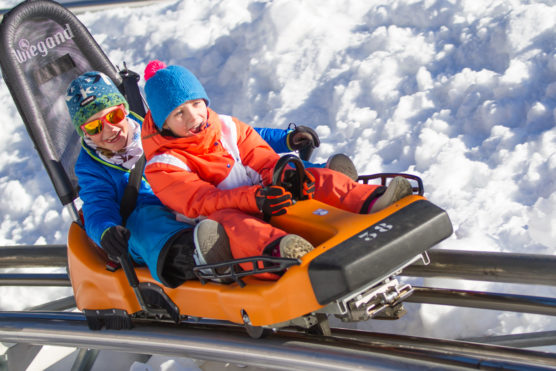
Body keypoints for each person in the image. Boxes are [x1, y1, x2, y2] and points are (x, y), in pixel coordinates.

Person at [65, 71, 349, 287]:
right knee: (145, 224)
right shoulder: (91, 168)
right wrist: (105, 230)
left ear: (124, 110)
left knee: (247, 171)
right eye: (94, 126)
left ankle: (324, 181)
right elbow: (96, 206)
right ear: (85, 134)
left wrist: (284, 139)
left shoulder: (158, 125)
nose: (109, 129)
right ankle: (201, 252)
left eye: (113, 115)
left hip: (198, 188)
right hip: (155, 210)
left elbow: (228, 137)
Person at [140, 61, 412, 275]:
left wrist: (286, 176)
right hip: (218, 218)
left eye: (196, 104)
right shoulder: (163, 165)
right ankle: (281, 252)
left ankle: (372, 201)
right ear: (164, 124)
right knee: (236, 224)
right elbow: (203, 202)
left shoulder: (227, 127)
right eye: (179, 113)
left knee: (313, 176)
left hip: (263, 198)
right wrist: (254, 199)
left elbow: (260, 156)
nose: (194, 117)